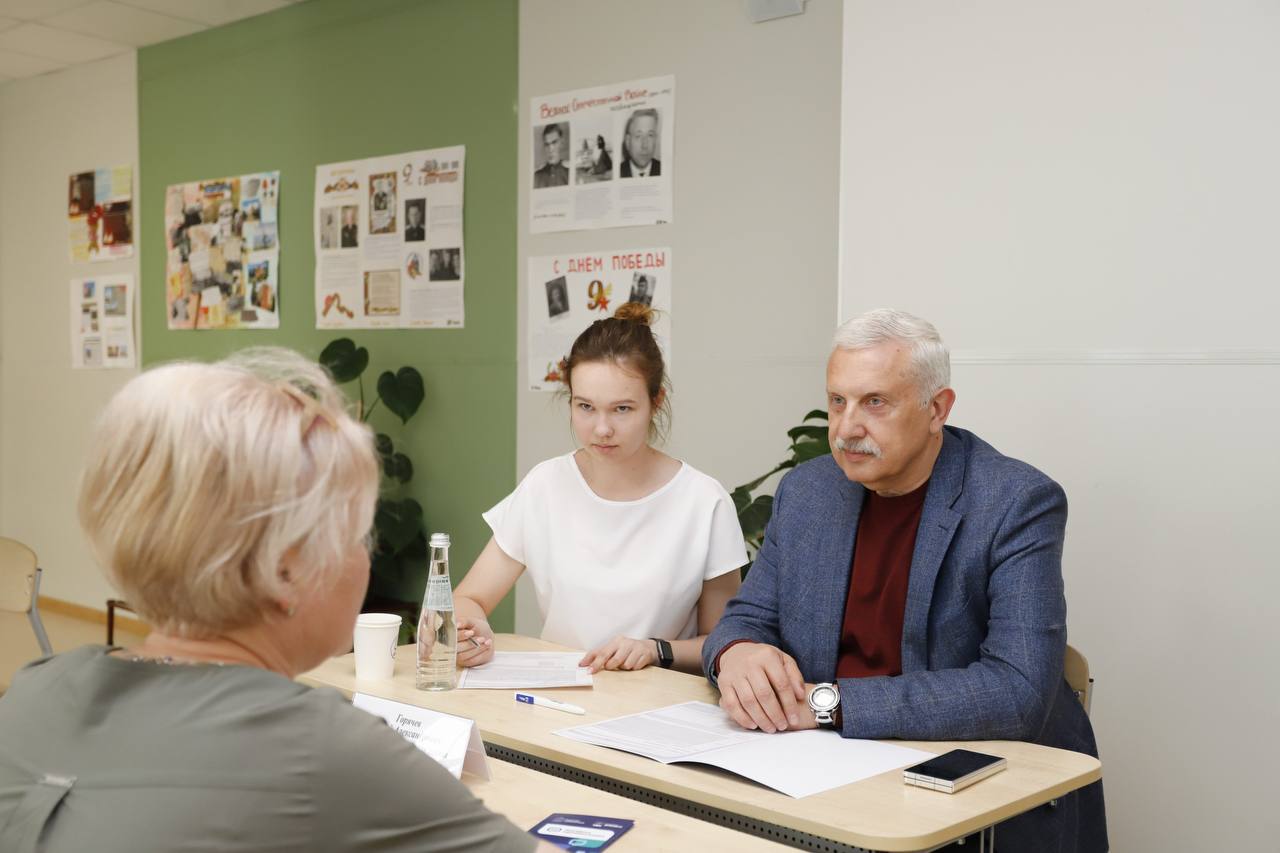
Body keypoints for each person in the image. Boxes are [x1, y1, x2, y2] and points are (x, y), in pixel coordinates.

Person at [0, 347, 548, 853]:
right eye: (359, 535)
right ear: (287, 572)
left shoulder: (35, 690)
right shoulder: (321, 748)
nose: (368, 556)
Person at [702, 309, 1107, 852]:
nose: (846, 428)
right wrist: (737, 653)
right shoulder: (808, 492)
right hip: (821, 774)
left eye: (875, 402)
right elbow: (746, 618)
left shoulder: (1015, 501)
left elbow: (1018, 690)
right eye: (838, 401)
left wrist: (827, 704)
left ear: (937, 409)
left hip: (973, 797)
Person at [454, 303, 746, 674]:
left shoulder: (704, 502)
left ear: (655, 402)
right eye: (586, 407)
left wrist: (655, 650)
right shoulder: (545, 485)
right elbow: (469, 598)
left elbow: (725, 643)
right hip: (559, 695)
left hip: (658, 701)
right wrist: (468, 630)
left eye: (622, 409)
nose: (602, 429)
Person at [619, 109, 661, 178]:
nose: (644, 145)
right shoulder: (618, 172)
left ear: (655, 140)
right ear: (628, 142)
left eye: (650, 135)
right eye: (638, 136)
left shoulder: (665, 170)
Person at [533, 123, 569, 188]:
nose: (550, 149)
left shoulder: (569, 173)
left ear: (561, 143)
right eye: (547, 144)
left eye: (554, 142)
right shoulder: (536, 176)